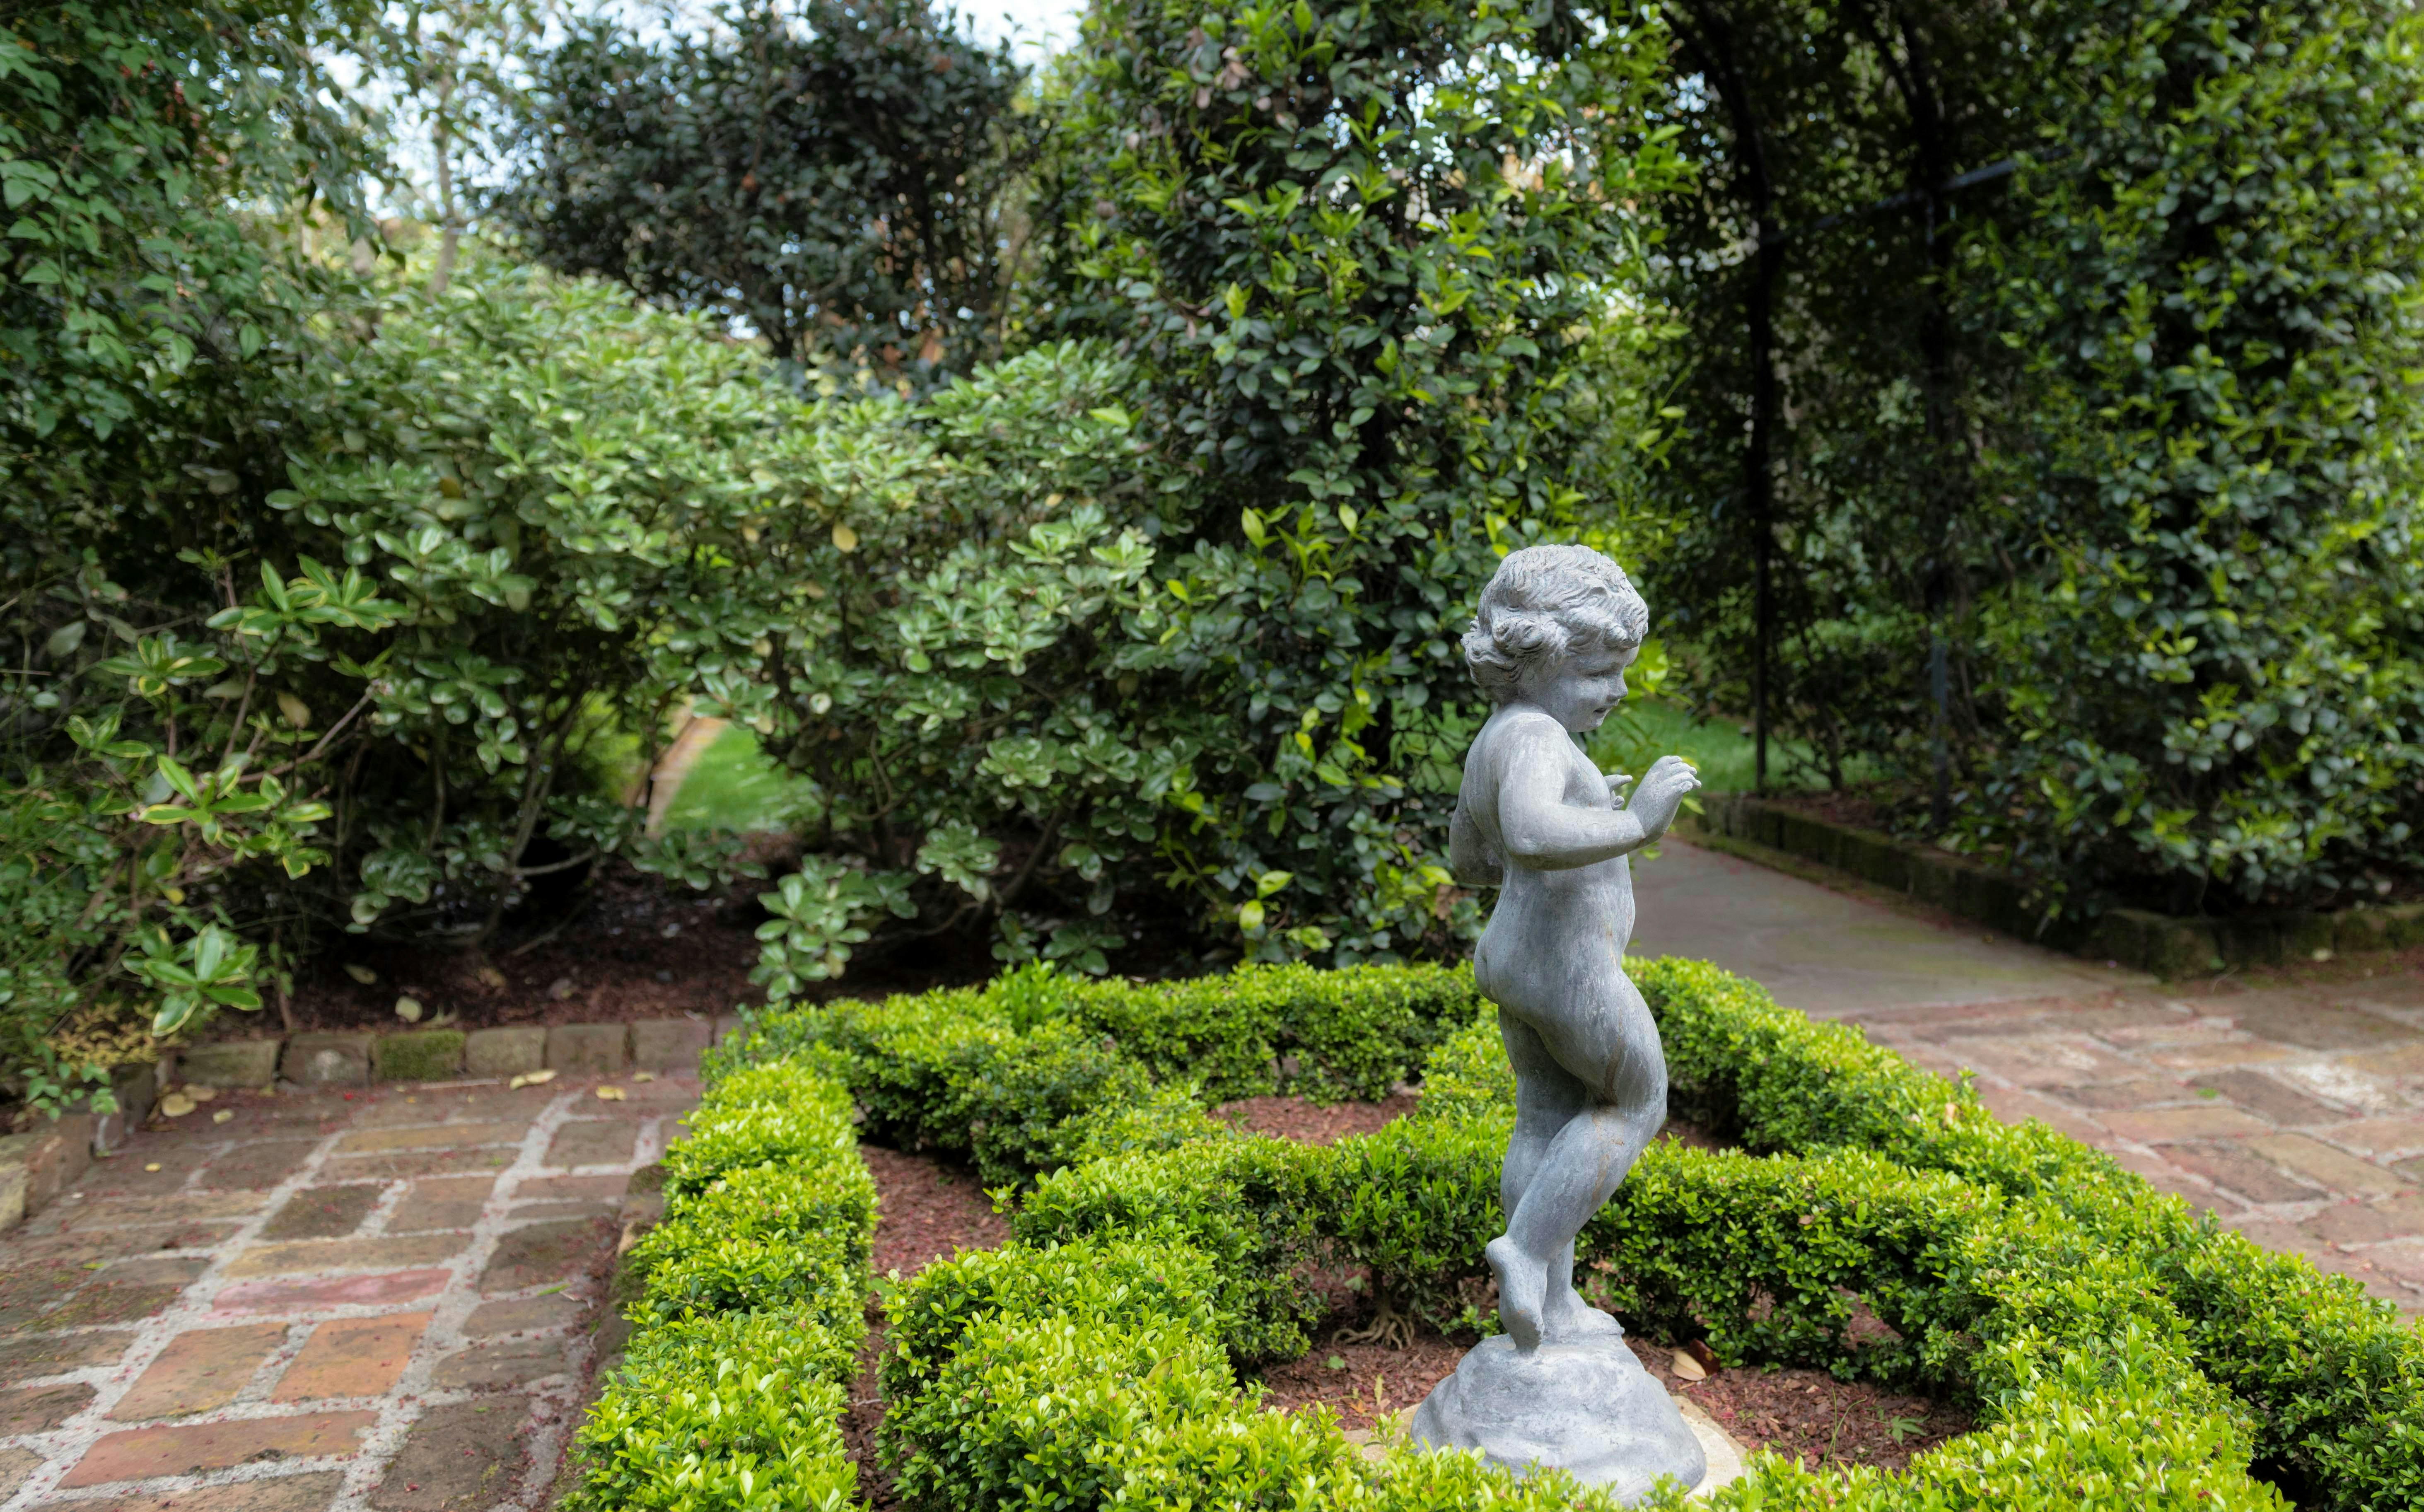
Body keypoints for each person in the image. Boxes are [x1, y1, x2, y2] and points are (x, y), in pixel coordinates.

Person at [1449, 544, 1700, 1350]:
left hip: (1515, 959)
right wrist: (1636, 823)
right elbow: (1528, 833)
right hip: (1570, 972)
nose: (1616, 689)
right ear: (1534, 664)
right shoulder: (1539, 740)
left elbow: (1471, 857)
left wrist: (1587, 816)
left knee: (1545, 1114)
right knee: (1637, 1102)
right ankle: (1525, 1252)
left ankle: (1548, 1305)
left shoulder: (1499, 736)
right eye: (1598, 673)